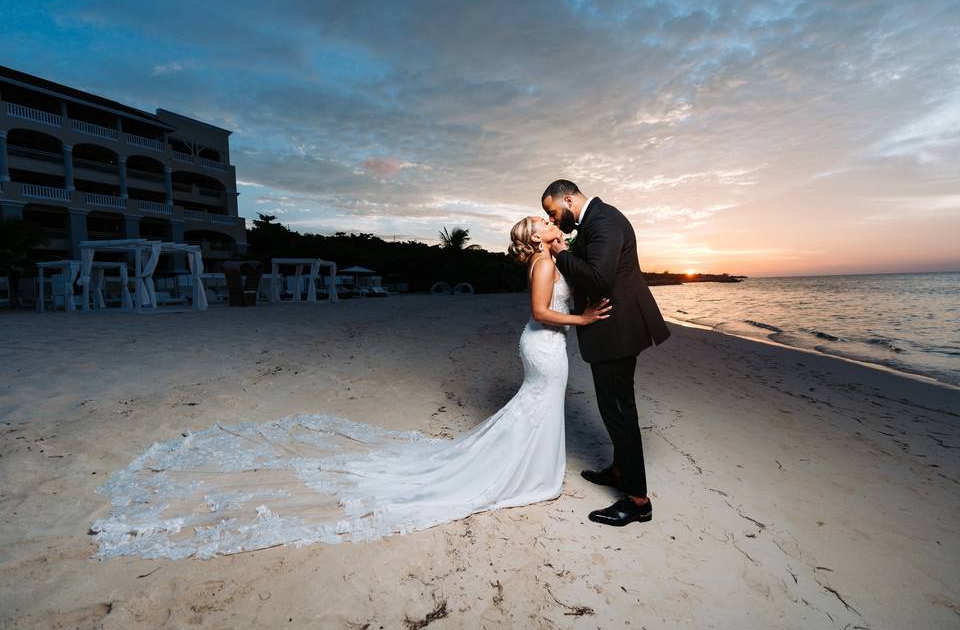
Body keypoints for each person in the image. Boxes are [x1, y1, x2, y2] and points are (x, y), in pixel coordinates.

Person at [88, 216, 611, 559]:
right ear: (535, 239)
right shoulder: (544, 262)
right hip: (545, 345)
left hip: (548, 346)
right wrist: (584, 320)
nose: (552, 224)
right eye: (545, 223)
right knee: (538, 404)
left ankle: (535, 472)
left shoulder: (553, 255)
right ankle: (531, 477)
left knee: (538, 408)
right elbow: (541, 311)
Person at [542, 178, 671, 527]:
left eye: (553, 211)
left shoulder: (605, 220)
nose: (554, 219)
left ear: (568, 199)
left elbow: (598, 278)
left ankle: (637, 500)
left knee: (618, 411)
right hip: (613, 327)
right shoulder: (597, 220)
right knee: (614, 406)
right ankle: (619, 471)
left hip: (618, 330)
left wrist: (559, 253)